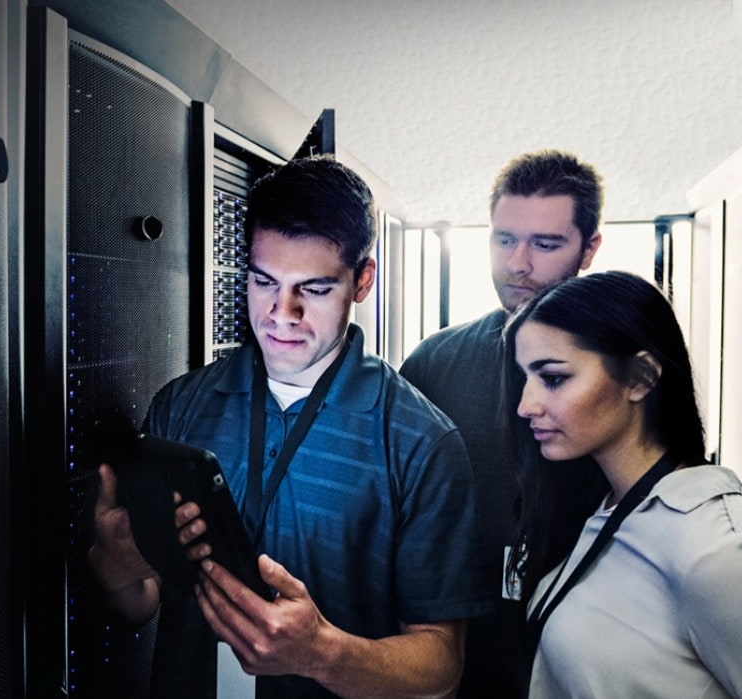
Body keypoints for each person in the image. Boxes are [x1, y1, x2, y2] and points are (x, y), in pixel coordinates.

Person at [90, 155, 490, 697]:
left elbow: (442, 663)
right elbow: (141, 603)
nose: (283, 313)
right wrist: (118, 569)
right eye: (263, 281)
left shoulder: (421, 442)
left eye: (315, 290)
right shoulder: (180, 406)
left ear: (363, 280)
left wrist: (324, 653)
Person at [503, 271, 742, 697]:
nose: (525, 405)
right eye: (526, 379)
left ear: (641, 377)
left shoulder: (721, 558)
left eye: (553, 378)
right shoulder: (605, 505)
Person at [397, 148, 605, 696]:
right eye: (504, 239)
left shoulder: (623, 373)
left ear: (590, 249)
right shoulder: (433, 363)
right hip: (450, 662)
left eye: (545, 243)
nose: (519, 263)